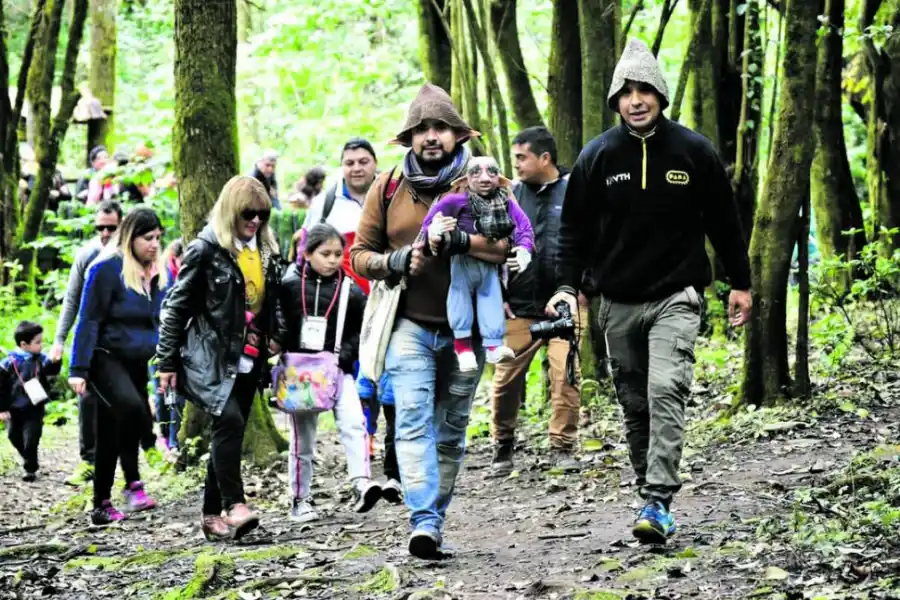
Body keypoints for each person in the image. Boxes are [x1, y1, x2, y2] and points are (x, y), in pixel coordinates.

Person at [548, 39, 752, 544]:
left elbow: (725, 223)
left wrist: (740, 283)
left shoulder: (694, 151)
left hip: (675, 296)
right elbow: (572, 230)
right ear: (616, 99)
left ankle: (659, 499)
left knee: (666, 391)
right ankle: (648, 491)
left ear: (660, 95)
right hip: (617, 300)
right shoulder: (597, 156)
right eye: (627, 92)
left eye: (645, 90)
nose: (636, 100)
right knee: (634, 402)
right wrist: (566, 287)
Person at [350, 83, 509, 559]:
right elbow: (359, 254)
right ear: (410, 138)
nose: (431, 137)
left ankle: (433, 517)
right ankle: (423, 521)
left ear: (458, 135)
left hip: (471, 333)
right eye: (422, 130)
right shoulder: (388, 185)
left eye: (440, 127)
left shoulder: (483, 182)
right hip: (409, 326)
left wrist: (456, 242)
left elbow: (506, 244)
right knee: (414, 420)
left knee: (452, 428)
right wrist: (397, 261)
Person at [156, 176, 283, 542]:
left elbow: (269, 301)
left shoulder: (264, 248)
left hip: (251, 356)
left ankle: (212, 517)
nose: (256, 221)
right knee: (227, 422)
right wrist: (166, 362)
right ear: (231, 211)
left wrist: (275, 335)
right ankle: (234, 505)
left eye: (262, 214)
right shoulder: (204, 250)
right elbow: (176, 307)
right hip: (209, 356)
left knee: (231, 431)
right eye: (248, 213)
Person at [490, 127, 587, 475]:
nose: (514, 164)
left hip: (566, 302)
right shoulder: (510, 197)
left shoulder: (576, 191)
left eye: (521, 157)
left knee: (565, 374)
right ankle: (502, 445)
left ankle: (562, 447)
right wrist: (497, 296)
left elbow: (592, 241)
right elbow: (495, 250)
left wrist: (583, 288)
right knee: (505, 378)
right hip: (519, 305)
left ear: (544, 158)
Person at [278, 224, 383, 522]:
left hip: (338, 367)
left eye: (338, 253)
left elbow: (360, 328)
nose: (333, 260)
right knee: (303, 439)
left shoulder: (350, 289)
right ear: (307, 254)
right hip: (300, 372)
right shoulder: (288, 286)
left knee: (353, 423)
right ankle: (300, 498)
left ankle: (361, 483)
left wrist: (345, 356)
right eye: (325, 254)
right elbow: (279, 322)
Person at [68, 207, 167, 524]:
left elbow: (161, 320)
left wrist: (167, 361)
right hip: (104, 357)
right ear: (131, 238)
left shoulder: (155, 273)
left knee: (113, 426)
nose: (154, 244)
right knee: (134, 410)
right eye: (147, 238)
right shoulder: (106, 269)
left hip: (137, 360)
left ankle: (105, 502)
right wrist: (78, 368)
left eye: (157, 238)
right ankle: (129, 486)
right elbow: (88, 319)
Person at [420, 156, 534, 371]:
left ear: (499, 178)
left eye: (491, 172)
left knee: (491, 300)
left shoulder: (506, 203)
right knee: (459, 300)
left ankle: (494, 346)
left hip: (490, 266)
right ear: (465, 179)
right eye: (476, 173)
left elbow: (524, 228)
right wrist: (434, 231)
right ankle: (463, 348)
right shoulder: (454, 202)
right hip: (461, 262)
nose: (484, 178)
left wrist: (524, 249)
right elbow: (429, 224)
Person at [51, 200, 123, 487]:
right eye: (100, 228)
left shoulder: (133, 253)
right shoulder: (87, 254)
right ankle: (89, 460)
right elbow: (71, 300)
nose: (105, 233)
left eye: (111, 228)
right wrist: (59, 339)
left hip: (123, 338)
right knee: (88, 398)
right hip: (92, 338)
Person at [303, 138, 380, 294]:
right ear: (342, 166)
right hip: (338, 299)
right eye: (349, 163)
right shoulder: (323, 204)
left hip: (388, 297)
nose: (356, 168)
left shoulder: (393, 197)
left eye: (363, 162)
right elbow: (304, 252)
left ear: (375, 163)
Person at [0, 321, 61, 481]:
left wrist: (56, 361)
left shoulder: (40, 359)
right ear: (24, 344)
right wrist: (2, 408)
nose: (41, 345)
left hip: (34, 408)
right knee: (14, 436)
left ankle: (30, 468)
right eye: (38, 342)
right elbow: (2, 387)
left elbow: (51, 371)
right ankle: (28, 458)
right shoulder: (9, 363)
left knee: (31, 439)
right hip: (14, 408)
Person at [153, 238, 186, 452]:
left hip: (181, 346)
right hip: (158, 344)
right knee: (161, 394)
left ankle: (175, 441)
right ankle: (164, 435)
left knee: (178, 397)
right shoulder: (163, 277)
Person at [356, 371, 402, 504]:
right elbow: (371, 355)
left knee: (395, 434)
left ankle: (395, 480)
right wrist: (363, 388)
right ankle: (394, 479)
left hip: (398, 390)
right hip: (394, 391)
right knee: (395, 434)